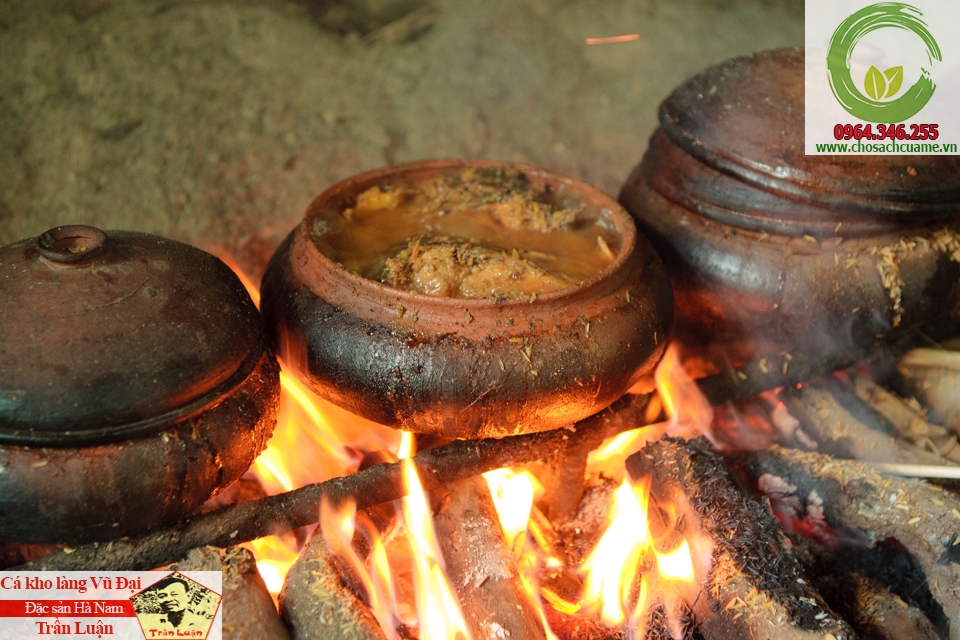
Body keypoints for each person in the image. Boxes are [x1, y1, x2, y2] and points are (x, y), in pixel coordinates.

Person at [136, 576, 213, 636]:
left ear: (188, 596)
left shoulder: (205, 624)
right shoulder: (152, 624)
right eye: (162, 596)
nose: (168, 599)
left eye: (175, 594)